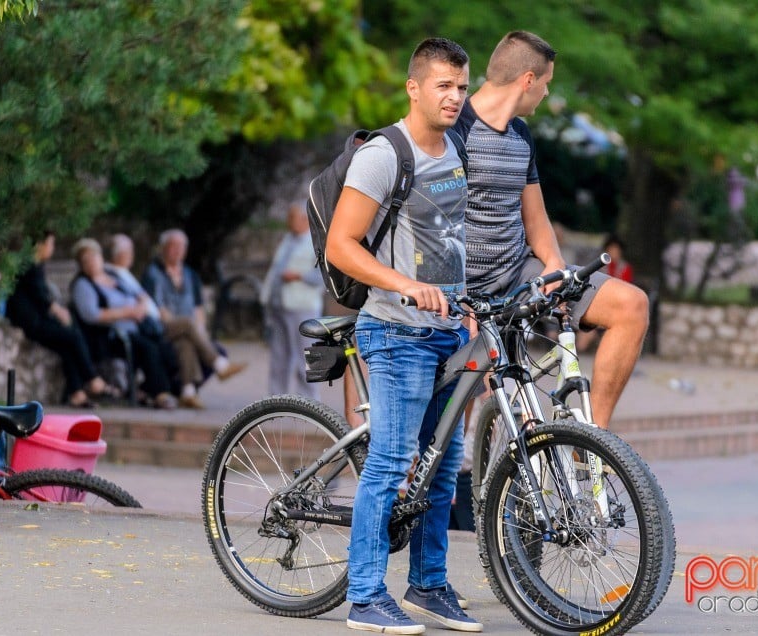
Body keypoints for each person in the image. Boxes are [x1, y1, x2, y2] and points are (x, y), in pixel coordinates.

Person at [326, 37, 481, 633]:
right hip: (395, 332)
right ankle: (365, 597)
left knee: (443, 468)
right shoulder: (383, 154)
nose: (454, 97)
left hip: (446, 331)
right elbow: (343, 244)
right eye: (444, 85)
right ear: (414, 87)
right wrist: (405, 286)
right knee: (392, 463)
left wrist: (466, 306)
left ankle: (428, 585)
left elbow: (450, 239)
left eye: (461, 87)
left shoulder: (456, 147)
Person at [452, 31, 649, 430]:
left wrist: (555, 269)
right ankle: (450, 488)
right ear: (527, 80)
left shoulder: (521, 135)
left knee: (632, 306)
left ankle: (593, 440)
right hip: (463, 288)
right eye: (545, 84)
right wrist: (455, 296)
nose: (545, 95)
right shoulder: (456, 127)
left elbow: (536, 220)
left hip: (516, 275)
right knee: (457, 422)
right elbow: (434, 222)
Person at [5, 230, 118, 407]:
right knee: (72, 336)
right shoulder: (31, 265)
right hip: (30, 323)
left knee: (66, 346)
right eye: (51, 244)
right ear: (41, 245)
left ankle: (77, 393)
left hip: (37, 320)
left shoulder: (36, 265)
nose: (52, 248)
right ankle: (93, 378)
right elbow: (40, 296)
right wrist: (57, 310)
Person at [142, 229, 247, 409]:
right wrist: (190, 326)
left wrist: (199, 328)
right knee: (187, 325)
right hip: (162, 327)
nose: (177, 251)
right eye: (173, 246)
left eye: (181, 247)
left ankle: (188, 392)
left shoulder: (190, 275)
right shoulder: (153, 274)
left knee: (186, 341)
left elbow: (199, 308)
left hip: (187, 333)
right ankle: (220, 365)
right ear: (163, 248)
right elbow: (159, 310)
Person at [70, 238, 179, 410]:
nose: (91, 262)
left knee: (166, 348)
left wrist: (141, 307)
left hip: (136, 327)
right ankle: (160, 394)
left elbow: (140, 294)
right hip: (110, 335)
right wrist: (126, 312)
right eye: (86, 260)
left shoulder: (112, 277)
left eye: (93, 257)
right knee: (147, 348)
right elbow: (91, 315)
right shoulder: (83, 285)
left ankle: (151, 389)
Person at [259, 202, 324, 399]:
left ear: (305, 219)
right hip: (279, 306)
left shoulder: (316, 242)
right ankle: (276, 398)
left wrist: (298, 276)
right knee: (280, 355)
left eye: (292, 217)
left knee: (306, 355)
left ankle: (310, 400)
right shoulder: (288, 239)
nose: (288, 222)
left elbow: (323, 277)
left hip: (302, 307)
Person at [576, 233, 634, 352]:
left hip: (617, 307)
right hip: (600, 304)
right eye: (612, 250)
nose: (614, 253)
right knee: (585, 336)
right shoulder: (600, 267)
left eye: (617, 250)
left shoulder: (625, 268)